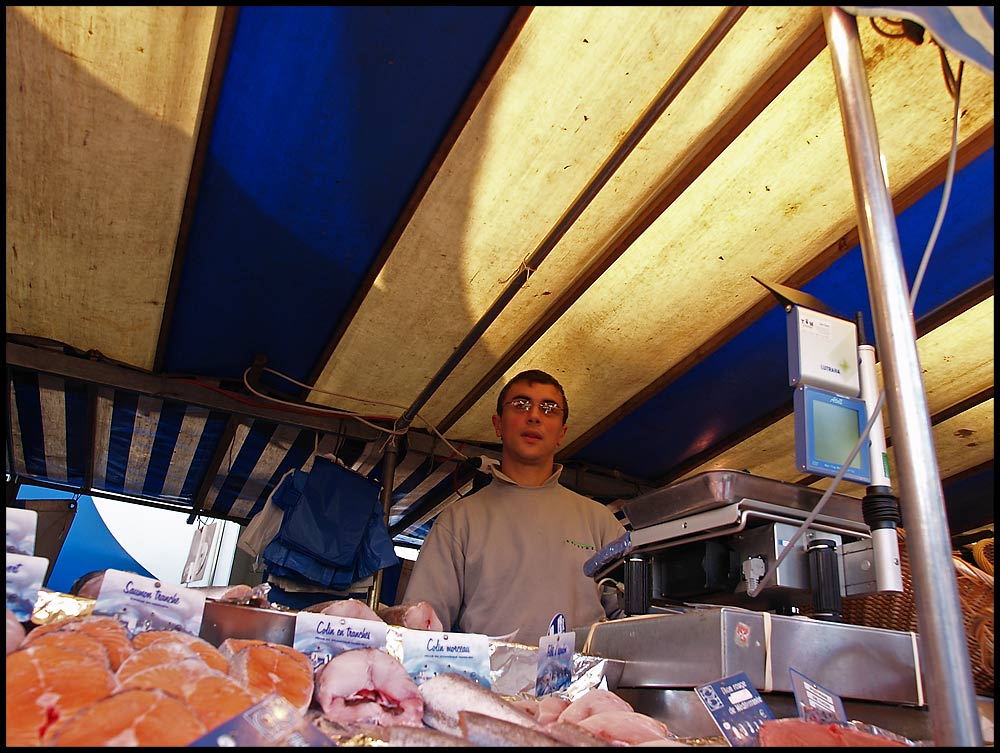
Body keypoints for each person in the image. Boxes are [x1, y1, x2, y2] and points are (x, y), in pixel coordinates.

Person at [402, 369, 626, 644]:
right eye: (520, 405)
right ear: (498, 424)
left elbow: (634, 615)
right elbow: (421, 628)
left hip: (584, 684)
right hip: (484, 685)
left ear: (562, 433)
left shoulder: (599, 520)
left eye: (549, 408)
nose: (534, 415)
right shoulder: (459, 520)